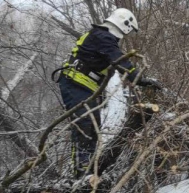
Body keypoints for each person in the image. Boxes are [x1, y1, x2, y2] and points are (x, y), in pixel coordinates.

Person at [56, 8, 161, 178]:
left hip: (83, 87)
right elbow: (121, 62)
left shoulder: (102, 36)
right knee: (84, 124)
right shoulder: (102, 36)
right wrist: (142, 79)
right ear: (124, 25)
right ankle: (81, 171)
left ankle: (88, 167)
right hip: (75, 83)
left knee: (93, 125)